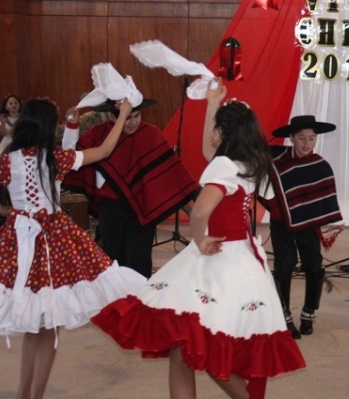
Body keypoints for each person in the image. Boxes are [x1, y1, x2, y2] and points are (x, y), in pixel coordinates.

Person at [92, 83, 306, 399]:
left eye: (216, 126)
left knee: (202, 348)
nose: (212, 134)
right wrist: (212, 104)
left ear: (224, 132)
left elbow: (200, 211)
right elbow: (210, 152)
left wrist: (200, 240)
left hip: (218, 258)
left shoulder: (224, 165)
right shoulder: (250, 162)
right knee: (183, 349)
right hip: (243, 259)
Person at [0, 97, 146, 399]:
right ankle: (33, 396)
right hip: (55, 241)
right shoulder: (55, 159)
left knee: (35, 325)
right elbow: (105, 150)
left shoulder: (8, 161)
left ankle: (24, 394)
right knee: (48, 325)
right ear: (46, 128)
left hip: (18, 241)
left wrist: (3, 211)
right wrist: (121, 115)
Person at [62, 98, 200, 278]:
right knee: (113, 258)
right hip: (111, 207)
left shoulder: (150, 133)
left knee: (139, 259)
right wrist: (71, 126)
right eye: (128, 118)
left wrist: (193, 201)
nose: (133, 121)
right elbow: (69, 157)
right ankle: (117, 301)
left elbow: (172, 172)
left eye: (136, 116)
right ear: (112, 116)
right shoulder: (99, 133)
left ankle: (139, 299)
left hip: (143, 207)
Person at [263, 115, 343, 338]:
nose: (307, 144)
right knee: (284, 267)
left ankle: (309, 314)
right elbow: (261, 184)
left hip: (308, 224)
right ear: (291, 137)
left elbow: (323, 199)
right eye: (301, 138)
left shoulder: (320, 165)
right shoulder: (276, 160)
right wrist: (275, 207)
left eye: (311, 138)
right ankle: (284, 317)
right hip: (281, 224)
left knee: (314, 266)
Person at [0, 93, 22, 158]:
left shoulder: (23, 118)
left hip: (20, 142)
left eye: (16, 103)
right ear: (6, 107)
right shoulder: (4, 118)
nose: (14, 105)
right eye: (10, 103)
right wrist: (3, 123)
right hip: (6, 143)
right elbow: (2, 133)